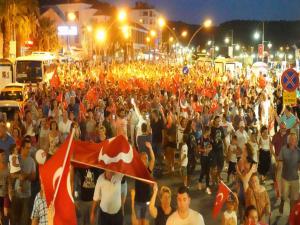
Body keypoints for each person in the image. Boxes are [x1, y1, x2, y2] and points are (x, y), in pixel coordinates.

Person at [10, 138, 36, 225]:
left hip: (27, 195)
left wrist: (25, 176)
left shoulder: (32, 161)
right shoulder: (16, 158)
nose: (29, 150)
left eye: (30, 148)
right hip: (16, 194)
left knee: (24, 221)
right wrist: (19, 176)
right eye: (27, 148)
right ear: (22, 148)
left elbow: (33, 177)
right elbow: (12, 175)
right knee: (14, 220)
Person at [278, 132, 300, 214]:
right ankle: (282, 202)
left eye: (295, 139)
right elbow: (280, 163)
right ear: (288, 140)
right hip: (285, 178)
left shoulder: (299, 151)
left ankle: (291, 214)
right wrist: (278, 175)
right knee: (284, 195)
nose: (293, 140)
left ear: (296, 141)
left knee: (294, 199)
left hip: (295, 178)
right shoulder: (283, 149)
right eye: (291, 139)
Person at [134, 142, 155, 225]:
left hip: (147, 201)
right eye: (142, 158)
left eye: (146, 158)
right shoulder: (136, 170)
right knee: (139, 222)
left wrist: (150, 148)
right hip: (138, 201)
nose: (144, 160)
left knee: (146, 222)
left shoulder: (148, 170)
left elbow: (153, 159)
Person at [198, 127, 212, 194]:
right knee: (203, 170)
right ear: (206, 131)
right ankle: (200, 182)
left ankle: (207, 186)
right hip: (203, 157)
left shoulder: (209, 138)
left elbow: (211, 146)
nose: (210, 132)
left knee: (208, 171)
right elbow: (198, 149)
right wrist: (204, 150)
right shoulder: (200, 138)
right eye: (209, 131)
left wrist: (210, 149)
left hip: (208, 157)